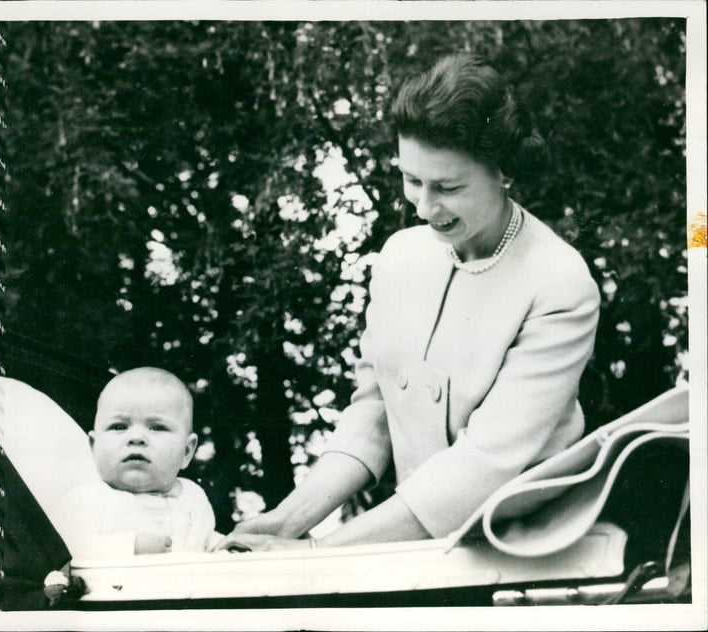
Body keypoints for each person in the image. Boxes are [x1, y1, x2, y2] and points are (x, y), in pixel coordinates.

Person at [213, 53, 600, 552]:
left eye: (448, 187)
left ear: (504, 172)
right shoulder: (401, 256)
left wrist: (319, 554)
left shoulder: (560, 282)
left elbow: (484, 463)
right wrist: (286, 520)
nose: (423, 206)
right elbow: (375, 410)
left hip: (524, 548)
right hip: (407, 539)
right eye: (411, 180)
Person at [51, 367, 220, 558]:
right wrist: (130, 546)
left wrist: (224, 547)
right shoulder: (85, 500)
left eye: (157, 427)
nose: (137, 438)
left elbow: (205, 542)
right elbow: (63, 549)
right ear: (94, 446)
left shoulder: (193, 499)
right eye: (119, 426)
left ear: (187, 451)